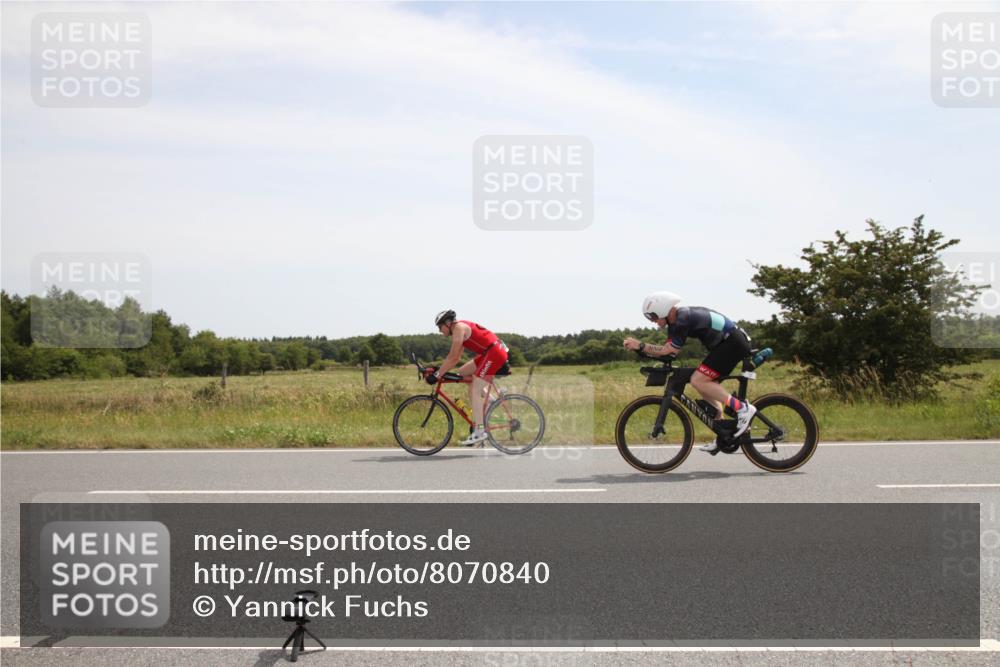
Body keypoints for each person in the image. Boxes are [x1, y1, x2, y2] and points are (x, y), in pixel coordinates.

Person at [622, 291, 756, 454]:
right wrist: (642, 351)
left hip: (732, 343)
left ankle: (742, 408)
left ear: (663, 309)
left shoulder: (682, 318)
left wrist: (641, 345)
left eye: (653, 317)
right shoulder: (675, 321)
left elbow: (668, 350)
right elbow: (670, 353)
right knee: (704, 383)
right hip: (727, 344)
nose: (653, 322)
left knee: (698, 380)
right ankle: (722, 432)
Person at [426, 310, 509, 446]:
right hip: (491, 351)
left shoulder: (458, 328)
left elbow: (452, 358)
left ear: (448, 323)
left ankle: (480, 431)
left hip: (494, 353)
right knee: (463, 372)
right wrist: (439, 370)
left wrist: (437, 375)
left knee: (474, 390)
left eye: (440, 327)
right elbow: (455, 357)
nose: (439, 331)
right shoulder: (459, 328)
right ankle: (492, 401)